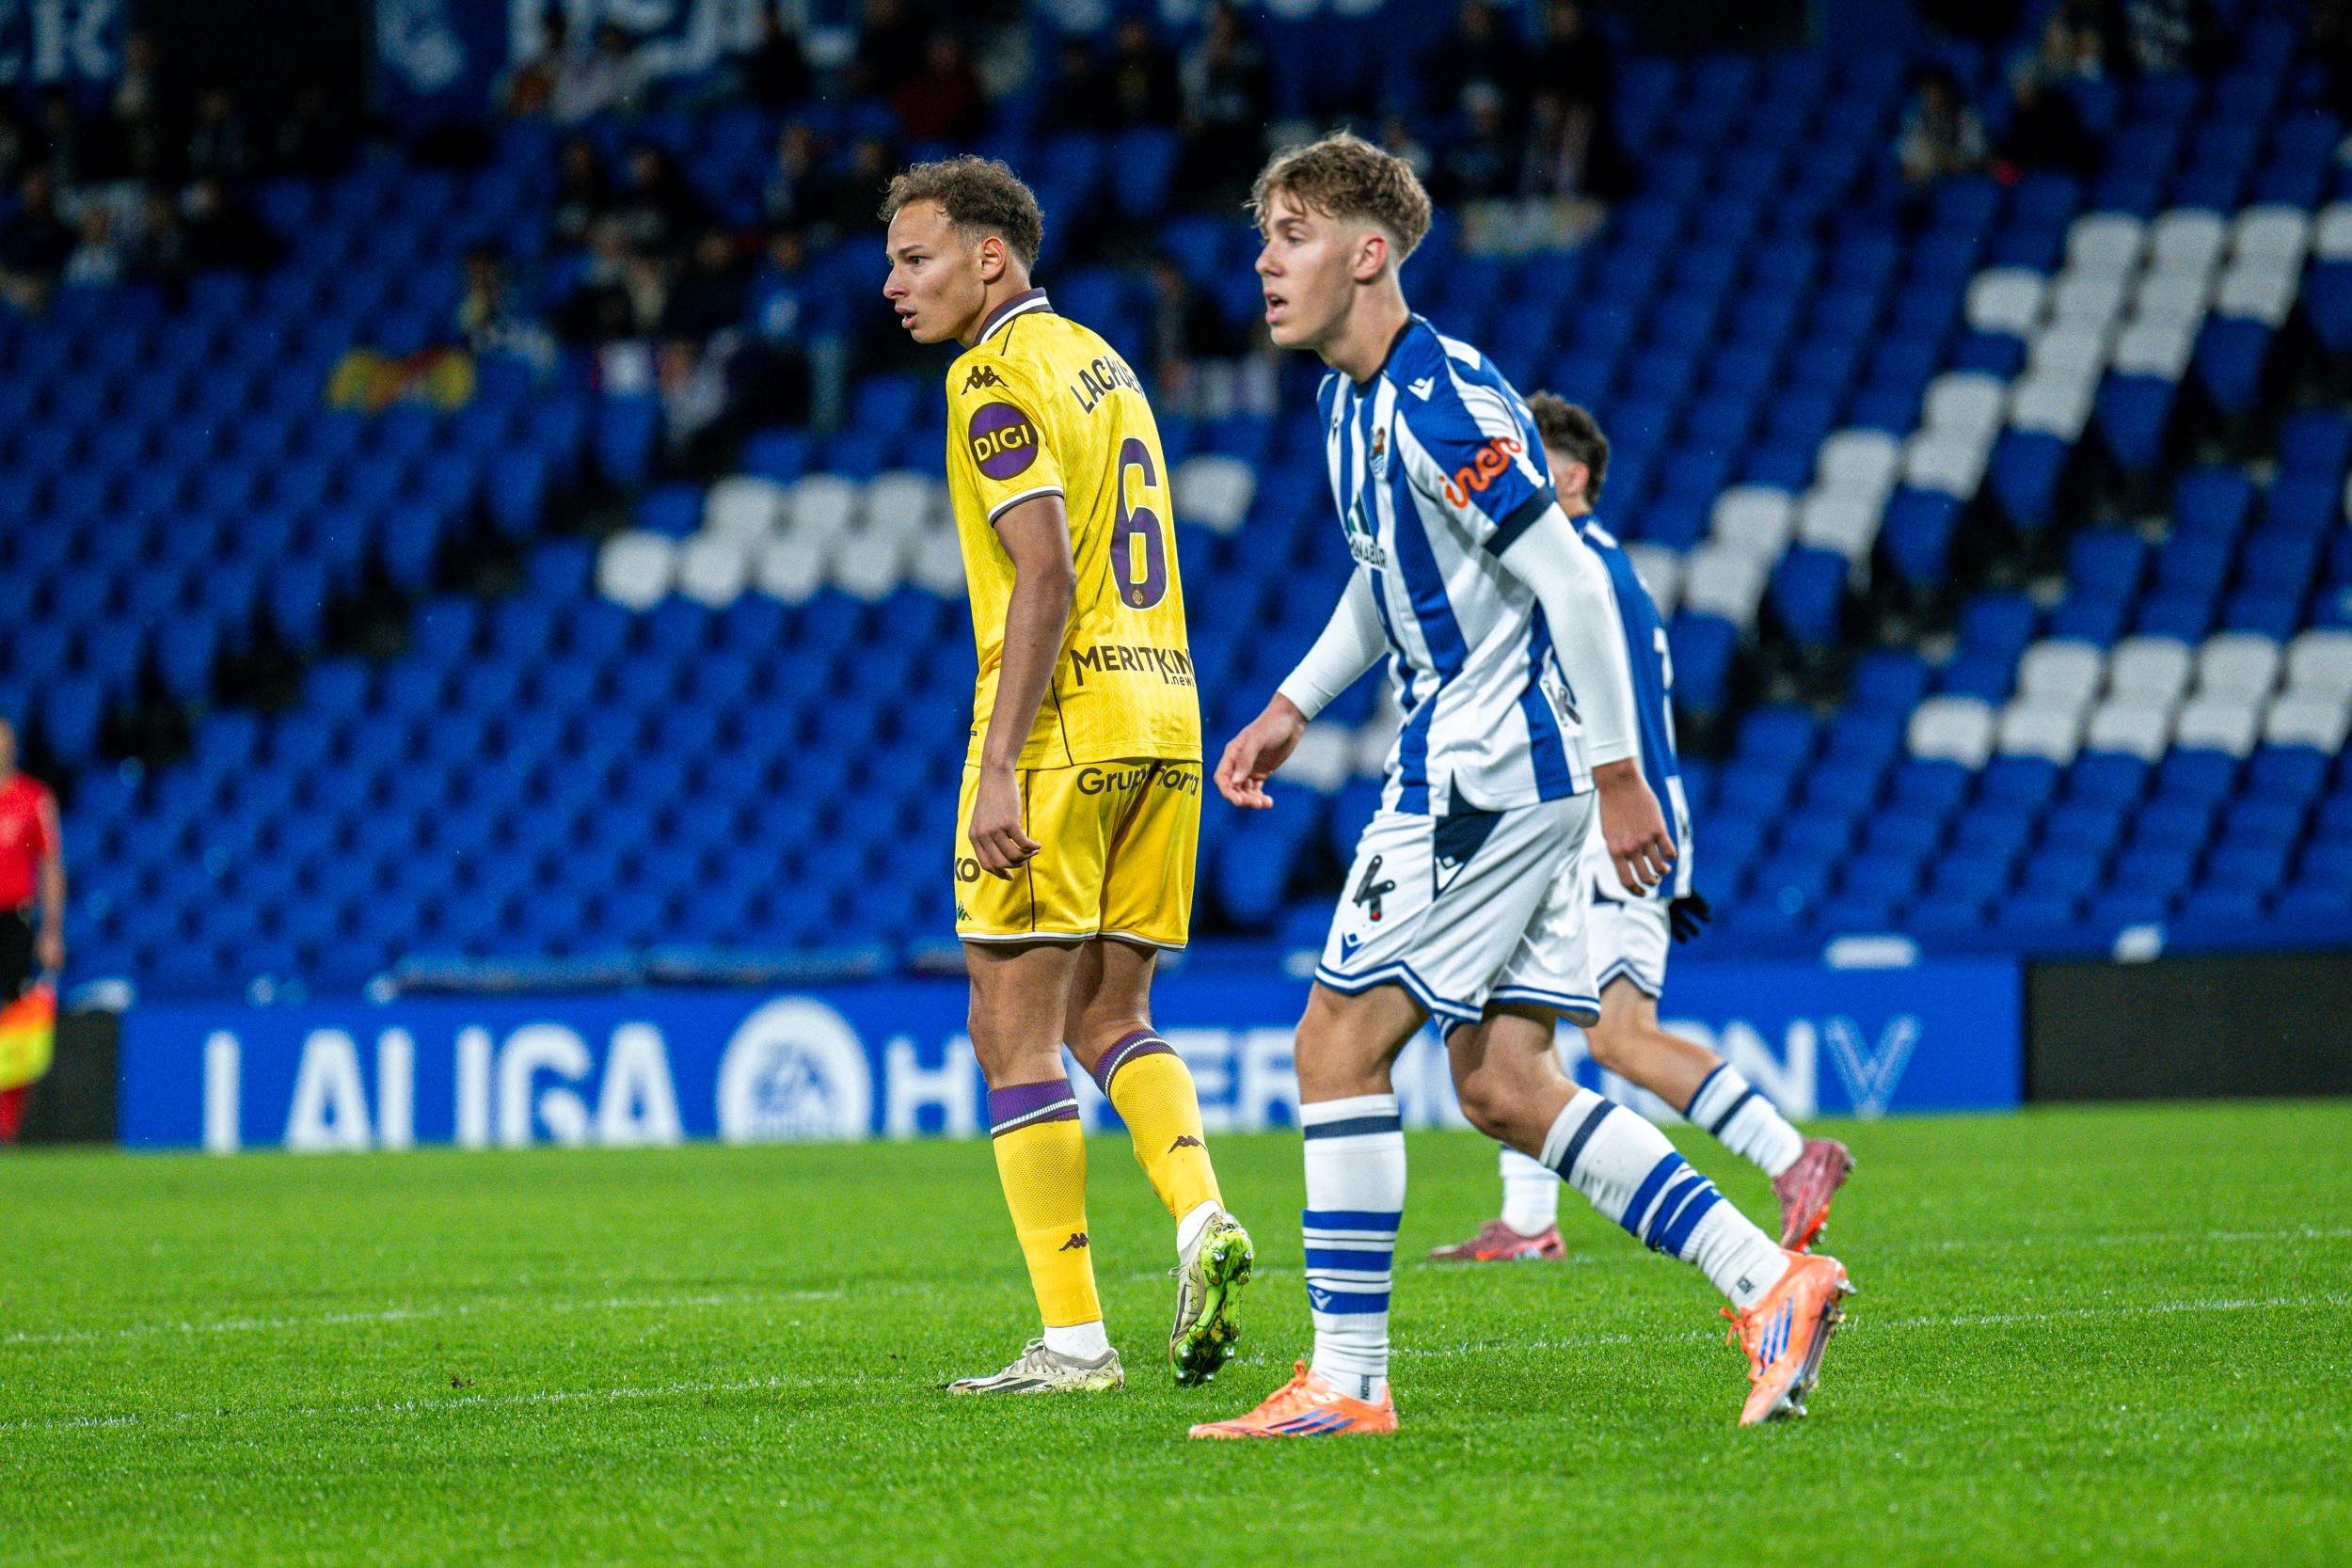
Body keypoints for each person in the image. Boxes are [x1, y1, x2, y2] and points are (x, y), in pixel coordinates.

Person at [1192, 134, 1851, 1438]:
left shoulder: (1440, 395)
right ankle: (1767, 1277)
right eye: (1265, 233)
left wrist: (1620, 772)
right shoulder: (1349, 400)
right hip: (1500, 772)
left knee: (1334, 1043)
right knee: (1503, 1079)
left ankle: (1347, 1378)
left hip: (1483, 773)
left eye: (1295, 232)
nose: (1264, 260)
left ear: (1369, 254)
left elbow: (1574, 578)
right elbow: (1387, 584)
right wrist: (1289, 705)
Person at [880, 156, 1253, 1394]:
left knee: (1010, 1023)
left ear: (991, 256)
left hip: (1062, 732)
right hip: (1168, 720)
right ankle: (1201, 1215)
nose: (894, 283)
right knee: (1110, 1014)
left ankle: (1077, 1338)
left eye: (916, 256)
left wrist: (997, 769)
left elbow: (1040, 570)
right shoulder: (1104, 359)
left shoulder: (991, 374)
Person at [1428, 396, 1851, 1265]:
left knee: (1618, 1034)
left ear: (1572, 476)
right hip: (1590, 822)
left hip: (1610, 827)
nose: (1502, 474)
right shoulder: (1592, 564)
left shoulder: (1577, 563)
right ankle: (1527, 1218)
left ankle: (1790, 1154)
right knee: (1518, 1009)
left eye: (1525, 457)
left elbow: (1629, 724)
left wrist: (1657, 842)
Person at [0, 718, 65, 1141]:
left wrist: (52, 931)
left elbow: (50, 866)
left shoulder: (32, 798)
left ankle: (6, 1125)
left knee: (16, 1022)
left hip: (13, 922)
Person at [1897, 64, 1990, 188]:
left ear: (1948, 91)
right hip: (1926, 186)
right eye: (1928, 92)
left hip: (1964, 184)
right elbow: (1908, 161)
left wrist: (1950, 162)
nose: (1933, 98)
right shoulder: (1914, 117)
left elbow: (1977, 157)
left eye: (1937, 91)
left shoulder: (1968, 116)